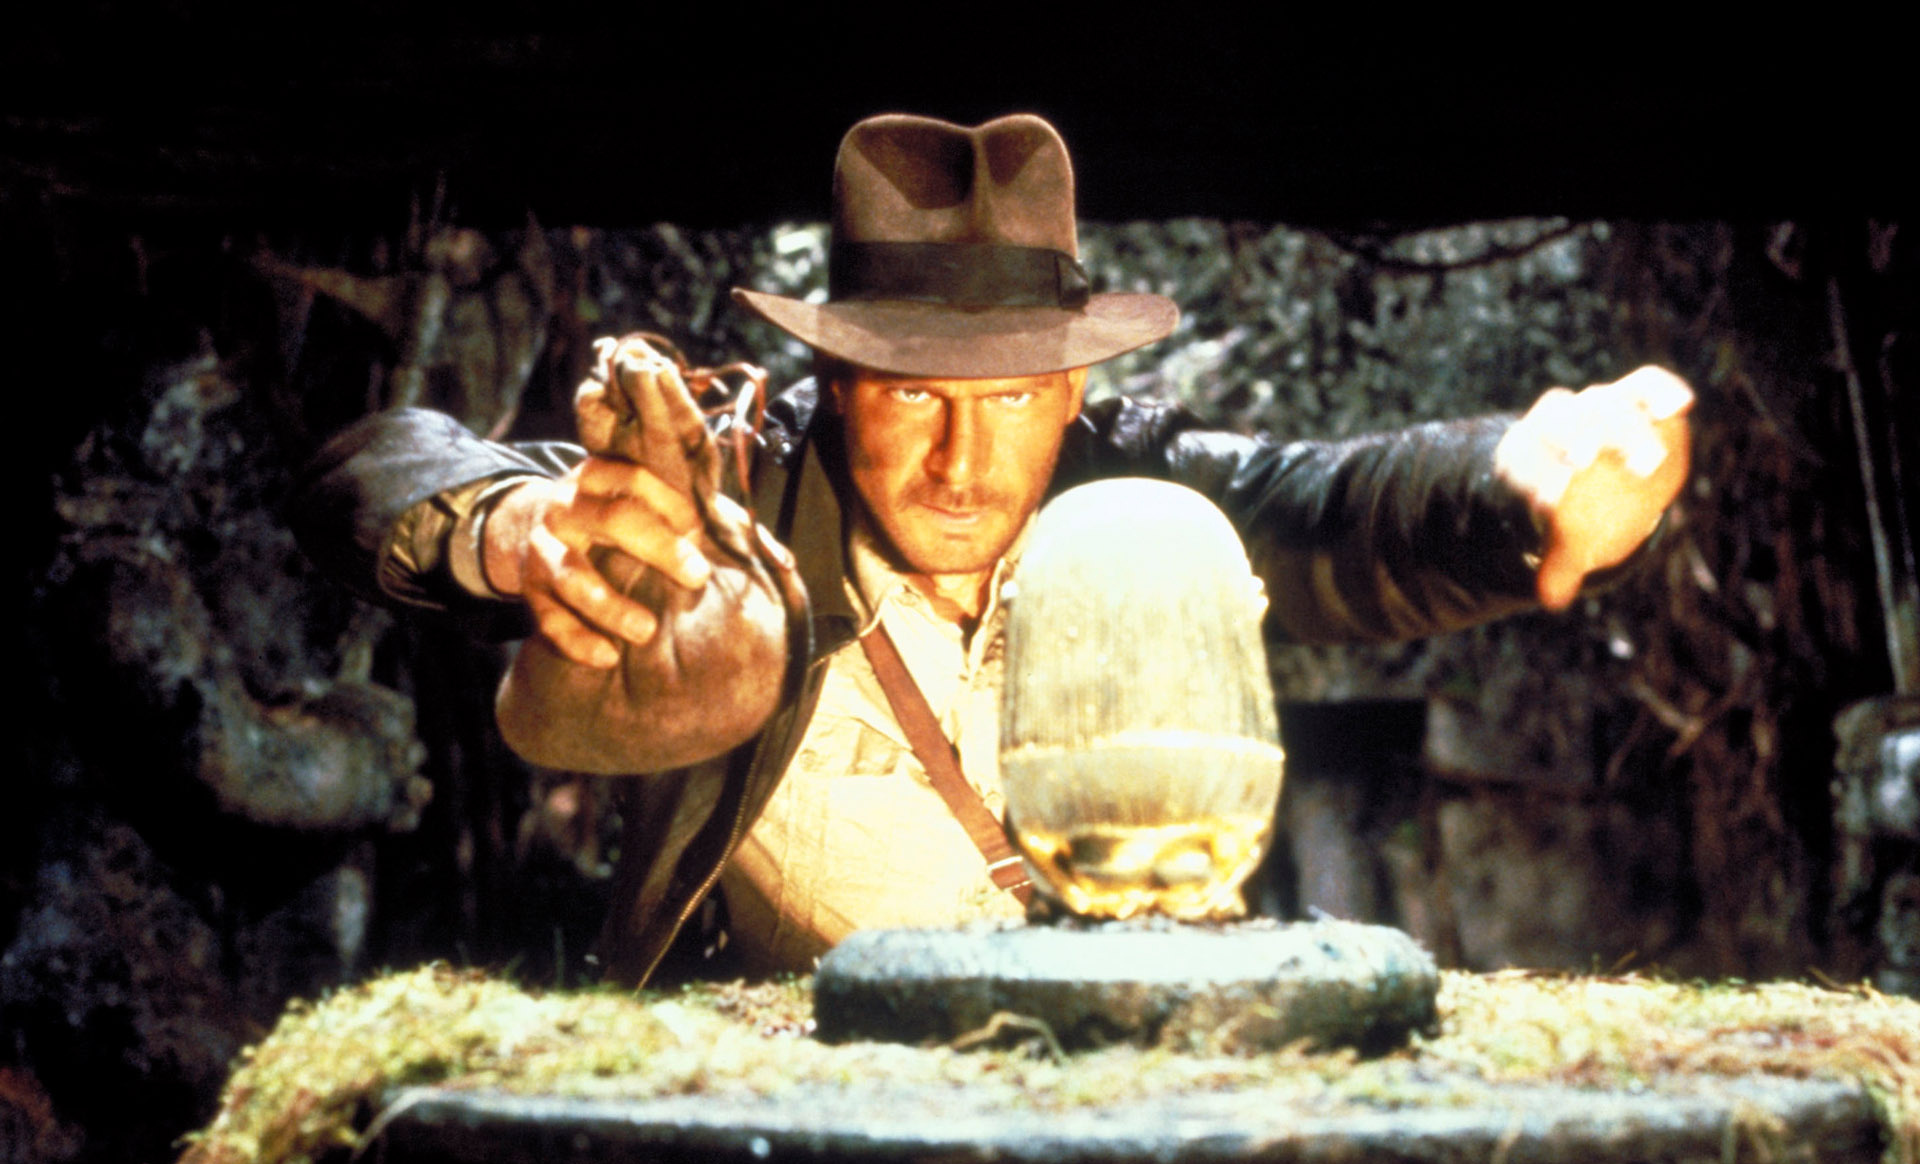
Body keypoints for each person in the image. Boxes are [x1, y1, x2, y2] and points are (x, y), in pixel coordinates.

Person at [293, 113, 1692, 986]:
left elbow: (1334, 511)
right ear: (838, 383)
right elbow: (366, 472)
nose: (963, 466)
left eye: (1013, 399)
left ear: (1071, 392)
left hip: (1096, 1092)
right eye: (914, 397)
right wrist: (518, 533)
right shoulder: (725, 502)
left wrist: (1515, 486)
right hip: (790, 1105)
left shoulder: (1138, 491)